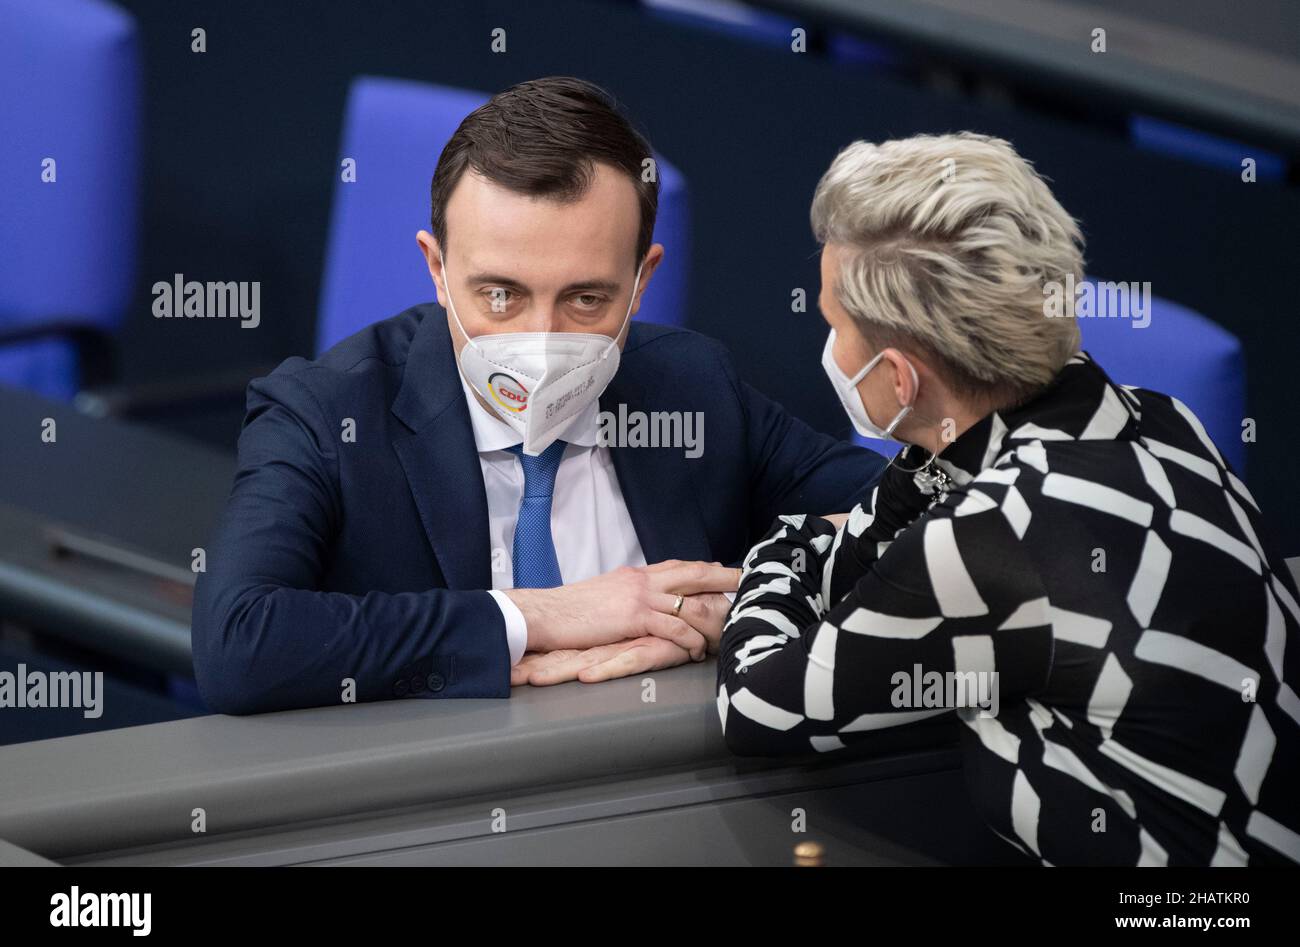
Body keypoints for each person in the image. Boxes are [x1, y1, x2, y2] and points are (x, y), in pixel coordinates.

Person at [191, 77, 886, 715]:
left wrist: (739, 600)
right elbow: (240, 643)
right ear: (436, 269)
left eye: (587, 299)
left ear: (642, 281)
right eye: (501, 294)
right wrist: (542, 615)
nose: (541, 339)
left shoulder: (692, 387)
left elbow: (928, 514)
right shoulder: (325, 414)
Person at [716, 132, 1300, 866]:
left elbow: (758, 706)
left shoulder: (988, 534)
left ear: (900, 380)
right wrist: (920, 453)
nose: (829, 348)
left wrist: (774, 555)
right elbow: (875, 545)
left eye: (834, 325)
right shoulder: (1162, 420)